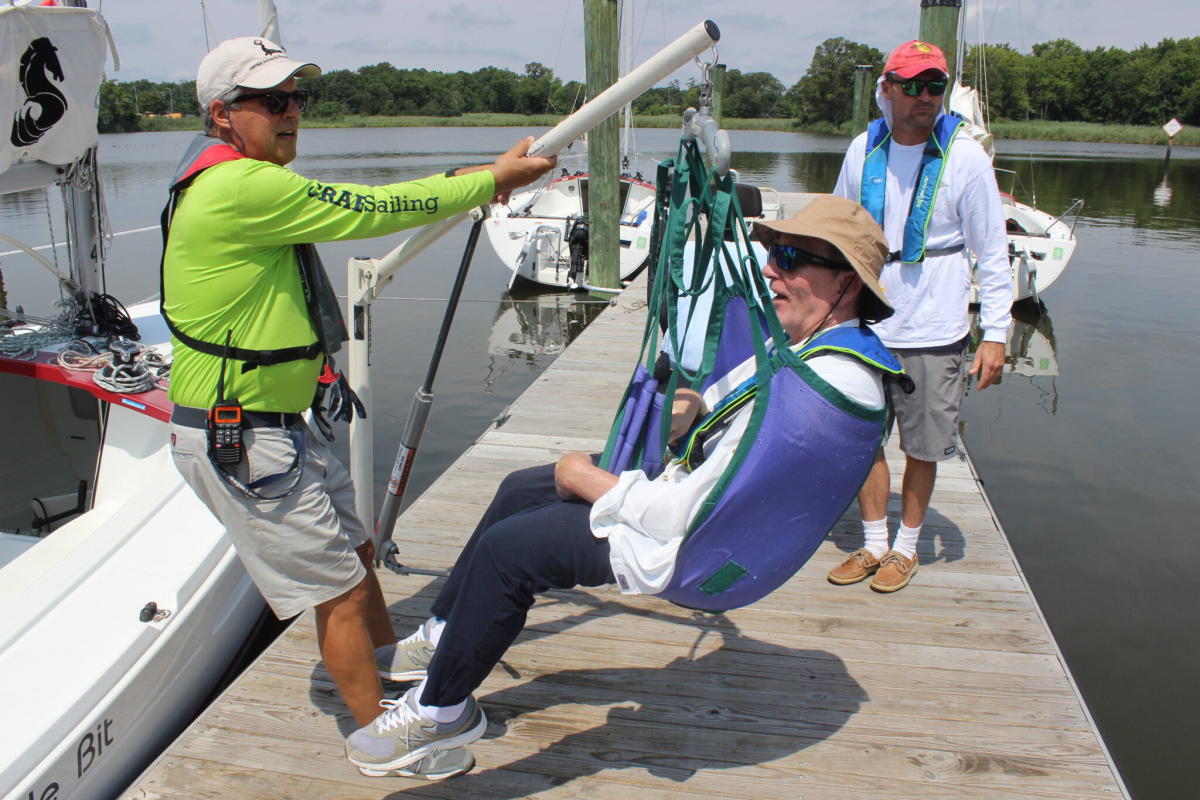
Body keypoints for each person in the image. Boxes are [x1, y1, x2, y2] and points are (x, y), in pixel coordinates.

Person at [344, 194, 897, 776]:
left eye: (790, 258)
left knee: (511, 552)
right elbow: (749, 438)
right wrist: (701, 405)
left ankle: (441, 710)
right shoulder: (823, 353)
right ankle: (443, 632)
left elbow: (689, 516)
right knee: (520, 489)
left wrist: (586, 478)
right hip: (701, 513)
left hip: (690, 549)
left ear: (846, 284)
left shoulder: (822, 391)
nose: (769, 269)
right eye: (772, 253)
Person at [161, 35, 555, 767]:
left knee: (358, 553)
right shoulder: (241, 188)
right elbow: (372, 207)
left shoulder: (238, 180)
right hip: (242, 436)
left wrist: (486, 176)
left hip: (280, 426)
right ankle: (385, 737)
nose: (291, 114)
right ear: (221, 115)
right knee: (339, 588)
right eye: (271, 101)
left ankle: (389, 664)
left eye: (297, 99)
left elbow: (370, 201)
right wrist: (488, 178)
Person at [830, 39, 1012, 594]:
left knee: (923, 444)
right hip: (868, 325)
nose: (924, 97)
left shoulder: (966, 157)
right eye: (910, 85)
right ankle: (873, 541)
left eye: (934, 85)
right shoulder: (864, 148)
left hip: (936, 329)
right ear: (886, 89)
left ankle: (905, 548)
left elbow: (993, 252)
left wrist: (997, 335)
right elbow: (838, 230)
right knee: (861, 438)